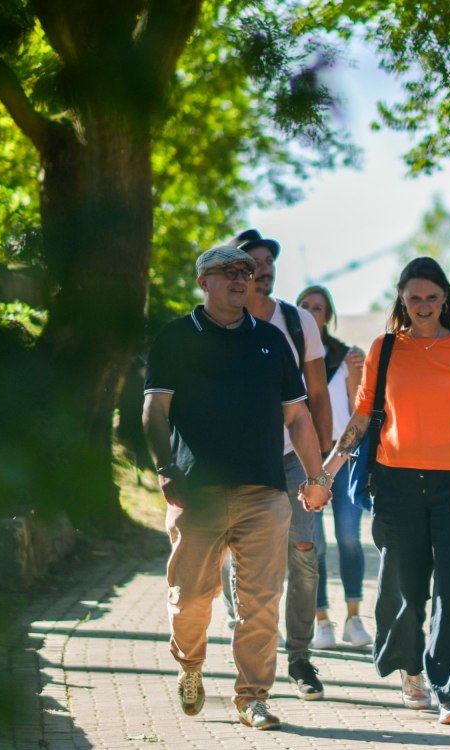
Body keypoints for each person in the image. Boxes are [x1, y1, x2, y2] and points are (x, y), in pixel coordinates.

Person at [322, 257, 450, 725]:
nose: (424, 306)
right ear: (402, 300)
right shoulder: (384, 349)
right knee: (406, 588)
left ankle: (449, 690)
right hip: (397, 484)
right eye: (415, 298)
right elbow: (362, 416)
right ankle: (411, 668)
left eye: (432, 297)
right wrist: (328, 470)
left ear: (445, 298)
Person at [142, 245, 333, 731]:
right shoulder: (175, 337)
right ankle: (189, 666)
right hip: (196, 492)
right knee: (190, 598)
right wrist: (165, 467)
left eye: (246, 272)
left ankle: (253, 697)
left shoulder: (271, 340)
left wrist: (315, 479)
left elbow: (297, 416)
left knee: (261, 601)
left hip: (264, 492)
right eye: (228, 272)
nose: (240, 278)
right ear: (203, 281)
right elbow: (155, 411)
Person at [220, 228, 335, 701]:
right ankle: (243, 637)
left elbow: (319, 393)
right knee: (237, 556)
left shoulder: (296, 320)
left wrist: (321, 465)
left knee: (304, 554)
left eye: (268, 261)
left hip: (291, 458)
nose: (263, 268)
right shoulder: (220, 321)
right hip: (236, 460)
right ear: (233, 272)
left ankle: (301, 659)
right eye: (253, 262)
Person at [295, 284, 372, 649]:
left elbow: (360, 407)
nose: (312, 313)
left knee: (348, 537)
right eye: (304, 306)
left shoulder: (346, 356)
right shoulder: (285, 355)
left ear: (329, 315)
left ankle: (354, 618)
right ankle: (321, 618)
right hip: (302, 459)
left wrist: (360, 369)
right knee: (315, 543)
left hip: (343, 460)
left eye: (319, 308)